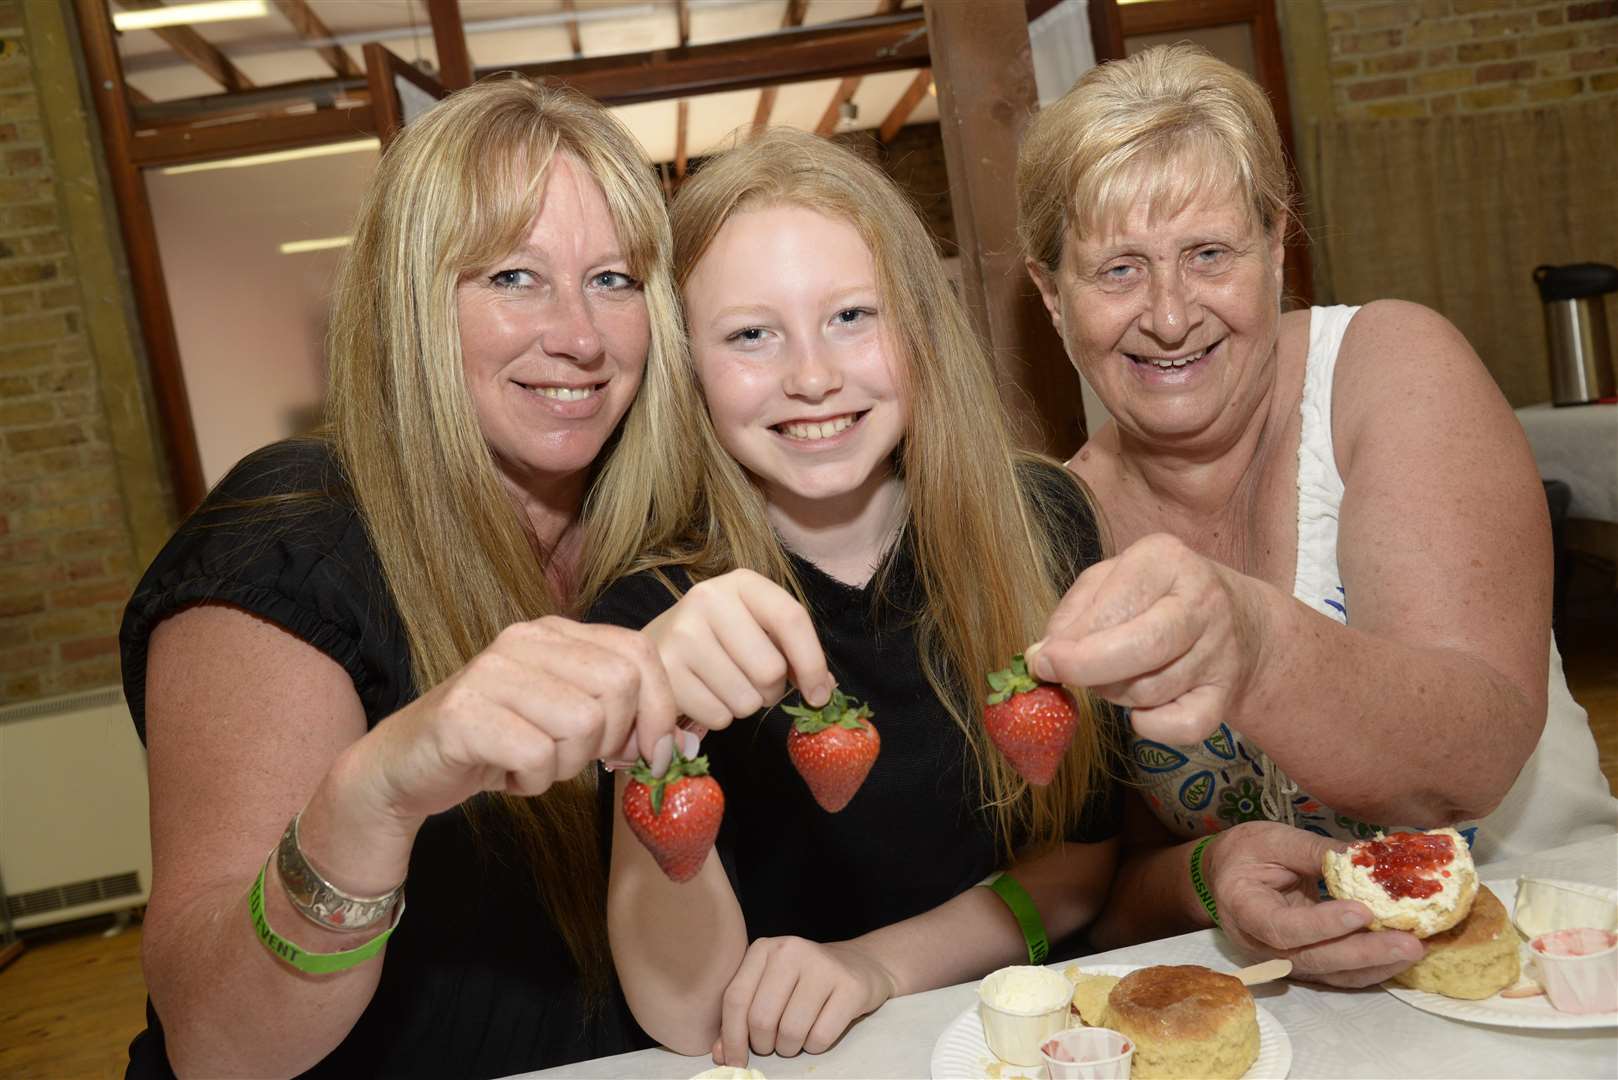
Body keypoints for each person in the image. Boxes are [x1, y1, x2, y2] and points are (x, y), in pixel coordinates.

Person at [117, 79, 702, 1078]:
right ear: (411, 302)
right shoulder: (292, 537)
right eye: (513, 278)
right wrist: (375, 798)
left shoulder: (658, 537)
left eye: (613, 280)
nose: (580, 335)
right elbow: (217, 1045)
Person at [1016, 43, 1617, 986]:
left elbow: (1471, 758)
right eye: (1119, 271)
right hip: (1300, 1011)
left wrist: (1253, 643)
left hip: (1553, 956)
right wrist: (1210, 877)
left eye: (1209, 254)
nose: (1170, 316)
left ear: (1276, 247)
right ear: (1053, 297)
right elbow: (1110, 890)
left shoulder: (1389, 369)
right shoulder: (1060, 519)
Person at [587, 129, 1121, 1067]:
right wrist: (651, 731)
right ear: (688, 369)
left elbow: (1081, 867)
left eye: (851, 317)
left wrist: (878, 966)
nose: (813, 376)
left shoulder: (1042, 520)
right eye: (751, 334)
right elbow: (685, 1017)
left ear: (918, 324)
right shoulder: (646, 616)